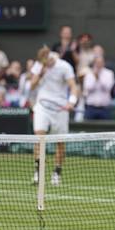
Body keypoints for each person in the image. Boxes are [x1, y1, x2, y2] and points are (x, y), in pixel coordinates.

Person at [29, 47, 79, 186]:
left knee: (60, 142)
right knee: (39, 138)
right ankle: (38, 173)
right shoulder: (40, 65)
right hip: (42, 106)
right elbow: (31, 86)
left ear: (51, 58)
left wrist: (71, 102)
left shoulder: (65, 66)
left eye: (46, 62)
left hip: (60, 108)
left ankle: (56, 173)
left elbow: (73, 86)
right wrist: (40, 73)